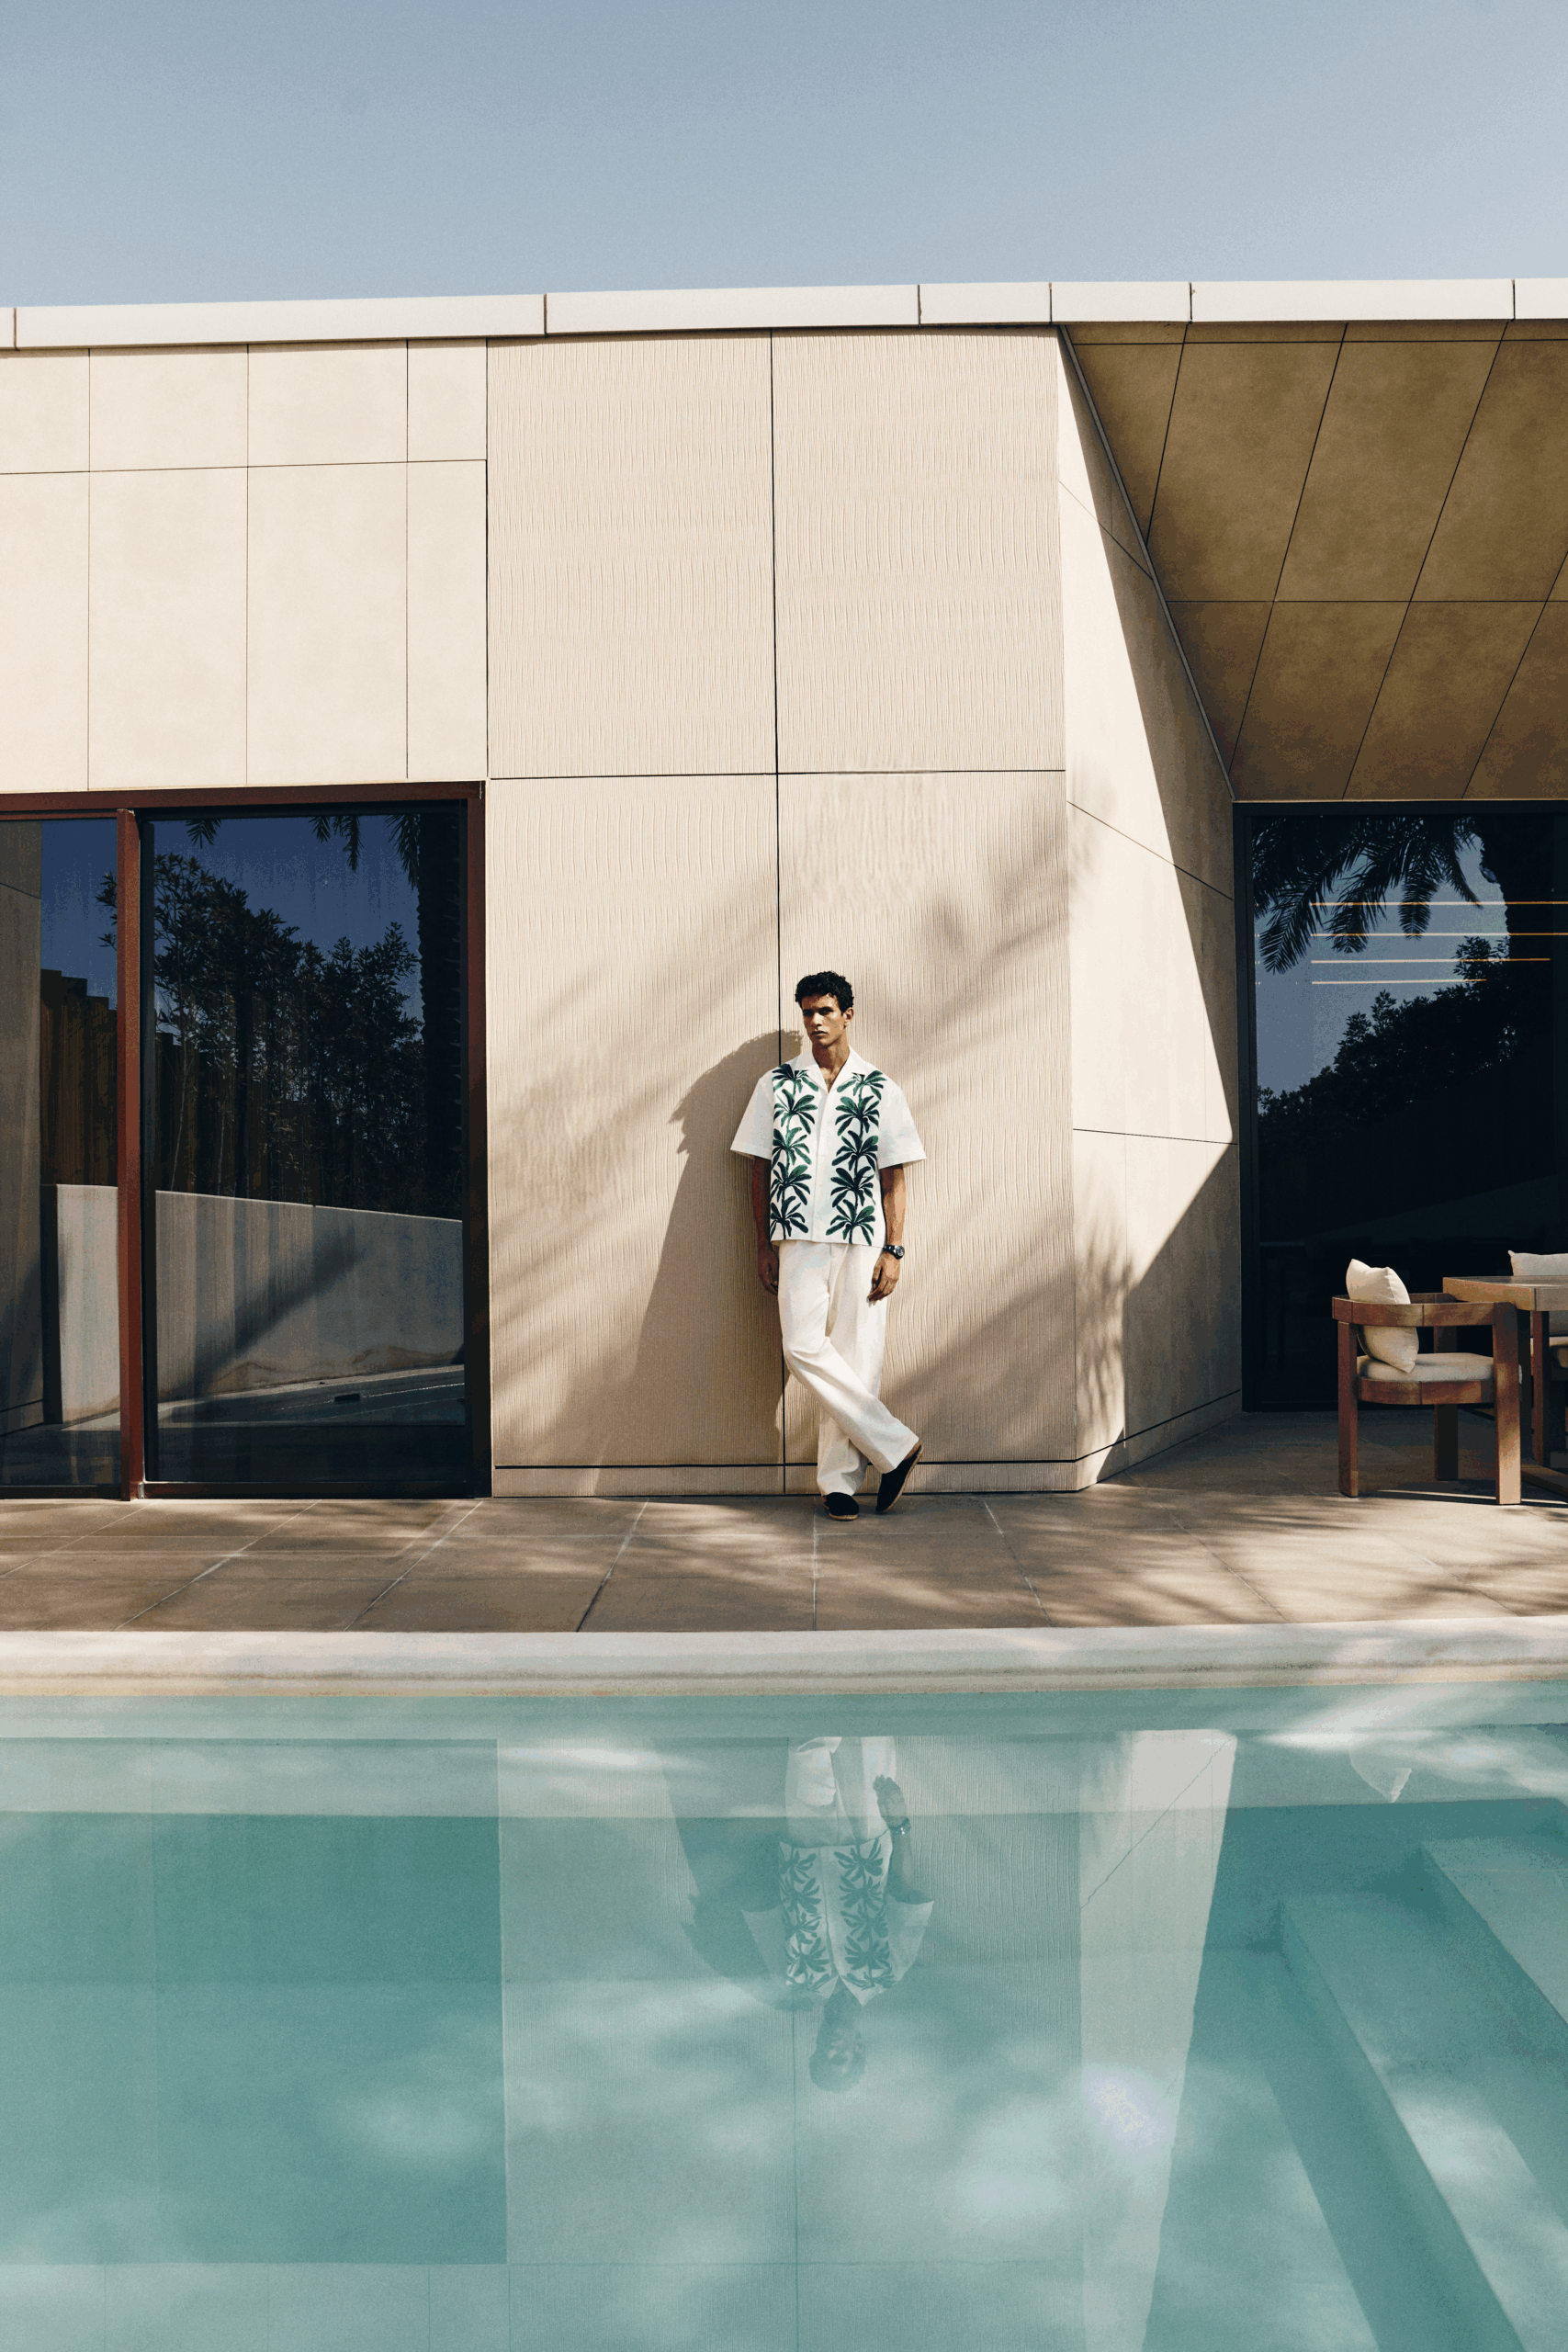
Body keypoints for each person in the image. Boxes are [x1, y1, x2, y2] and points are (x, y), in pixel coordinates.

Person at [730, 971, 924, 1520]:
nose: (815, 1022)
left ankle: (838, 1485)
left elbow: (895, 1175)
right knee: (802, 1346)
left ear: (848, 1015)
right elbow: (759, 1169)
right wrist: (763, 1242)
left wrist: (896, 1248)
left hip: (863, 1237)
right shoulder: (777, 1084)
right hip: (796, 1235)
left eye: (825, 1011)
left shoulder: (879, 1087)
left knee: (858, 1359)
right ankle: (894, 1446)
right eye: (807, 1012)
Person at [741, 1737, 933, 2090]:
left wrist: (783, 1851)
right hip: (871, 1836)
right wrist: (900, 1823)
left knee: (808, 1745)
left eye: (821, 2057)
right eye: (840, 2058)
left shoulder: (792, 1977)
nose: (830, 2050)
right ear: (858, 2047)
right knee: (867, 1734)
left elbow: (759, 1904)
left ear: (813, 2048)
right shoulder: (889, 1971)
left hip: (806, 1838)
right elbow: (905, 1892)